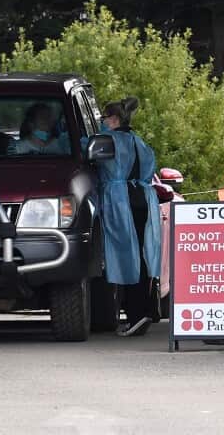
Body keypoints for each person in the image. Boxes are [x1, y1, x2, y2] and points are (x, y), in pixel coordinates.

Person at [94, 97, 161, 337]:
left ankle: (135, 313)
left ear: (113, 119)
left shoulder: (107, 141)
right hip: (142, 199)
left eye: (104, 118)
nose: (102, 122)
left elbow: (82, 149)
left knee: (124, 257)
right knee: (140, 256)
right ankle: (143, 310)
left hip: (120, 202)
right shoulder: (139, 142)